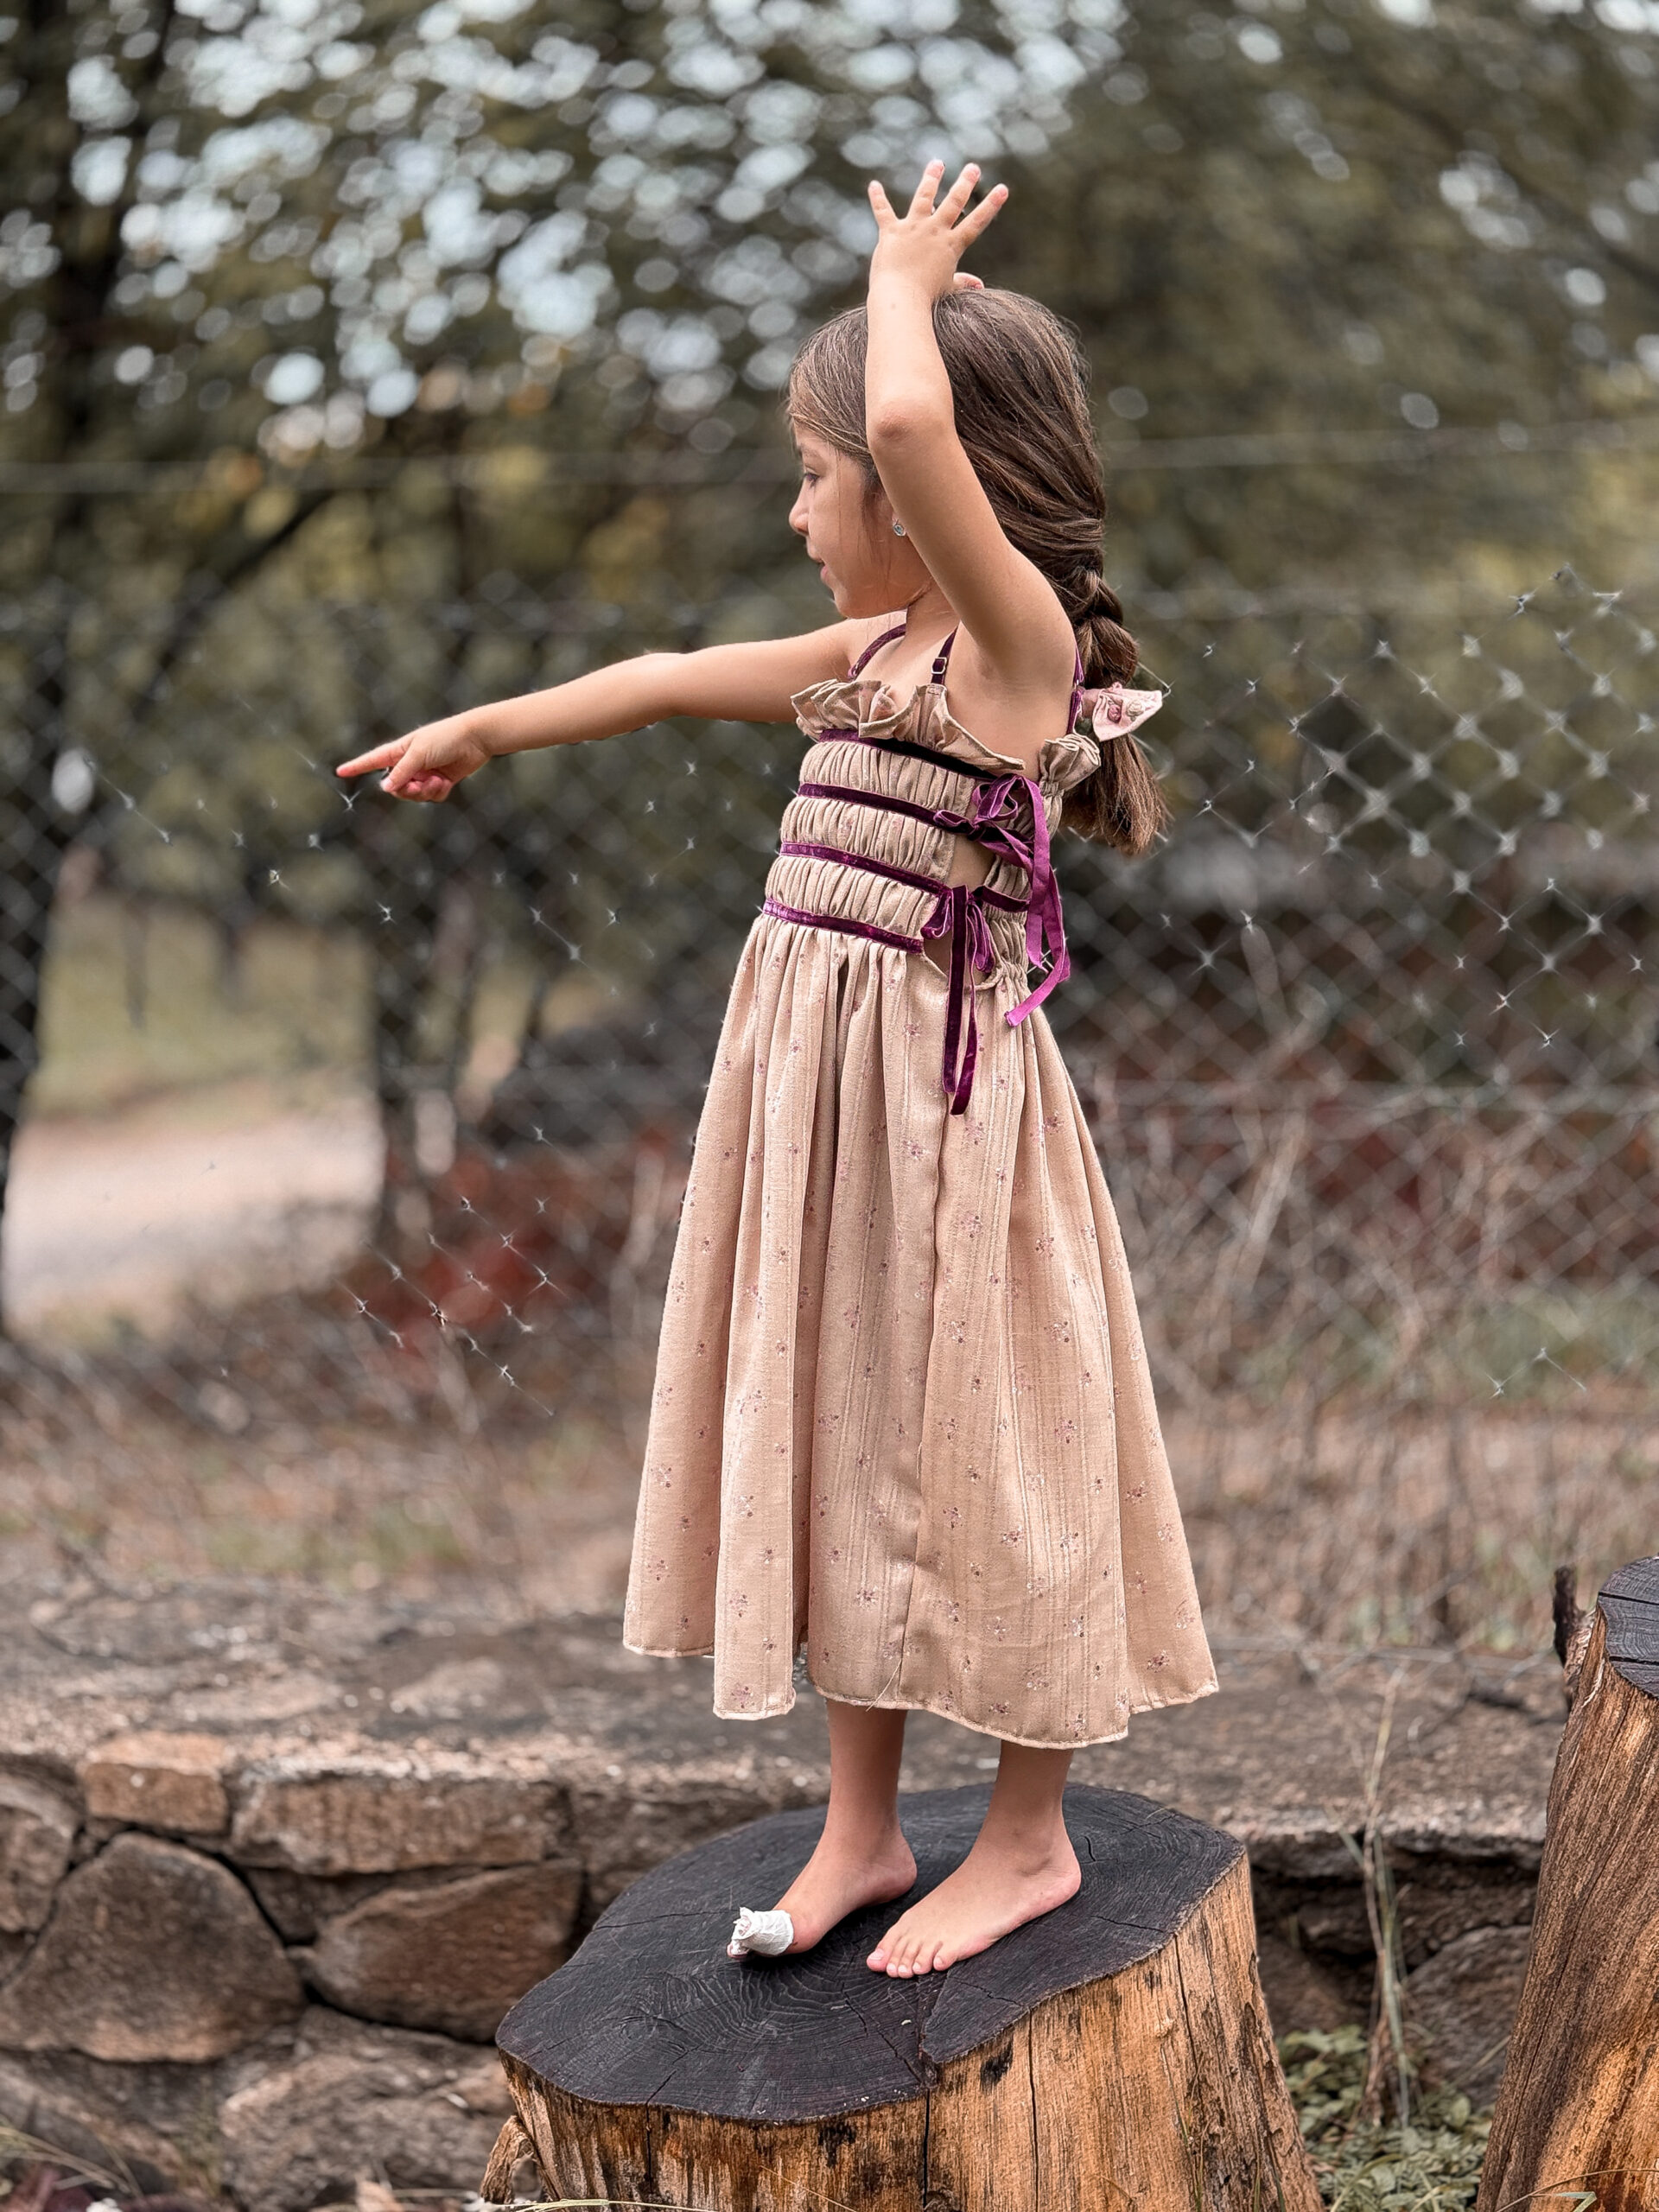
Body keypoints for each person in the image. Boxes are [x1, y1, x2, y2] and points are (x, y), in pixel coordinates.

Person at [339, 159, 1216, 1982]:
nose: (803, 505)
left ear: (922, 489)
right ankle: (862, 1826)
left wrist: (902, 281)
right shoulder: (874, 650)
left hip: (951, 1130)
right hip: (825, 1131)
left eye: (815, 476)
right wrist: (487, 725)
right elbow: (668, 673)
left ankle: (1030, 1840)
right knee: (843, 1435)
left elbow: (903, 415)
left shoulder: (1015, 648)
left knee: (995, 1445)